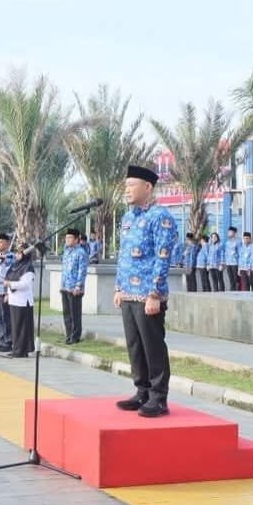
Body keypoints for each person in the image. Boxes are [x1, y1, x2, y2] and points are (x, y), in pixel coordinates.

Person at [114, 165, 178, 418]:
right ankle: (141, 391)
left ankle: (158, 397)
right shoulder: (128, 217)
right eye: (126, 185)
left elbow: (163, 258)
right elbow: (122, 255)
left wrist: (154, 293)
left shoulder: (161, 217)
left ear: (148, 187)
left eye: (132, 185)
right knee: (134, 345)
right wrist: (119, 287)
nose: (127, 189)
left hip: (148, 294)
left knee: (152, 346)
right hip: (128, 292)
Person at [3, 245, 36, 358]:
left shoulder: (28, 267)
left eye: (19, 253)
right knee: (15, 326)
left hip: (23, 301)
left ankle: (21, 350)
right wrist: (7, 293)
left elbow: (25, 284)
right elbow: (9, 278)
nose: (17, 255)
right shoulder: (15, 265)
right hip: (14, 300)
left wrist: (10, 284)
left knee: (21, 327)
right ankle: (16, 348)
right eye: (16, 253)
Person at [60, 229, 88, 345]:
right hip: (65, 287)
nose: (67, 240)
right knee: (67, 313)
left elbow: (82, 271)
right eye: (66, 238)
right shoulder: (66, 251)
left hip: (75, 288)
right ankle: (68, 335)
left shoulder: (81, 252)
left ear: (76, 239)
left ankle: (75, 336)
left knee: (75, 313)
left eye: (70, 238)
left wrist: (78, 286)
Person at [223, 226, 240, 291]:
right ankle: (232, 293)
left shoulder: (238, 242)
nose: (229, 233)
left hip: (235, 264)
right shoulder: (227, 243)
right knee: (231, 280)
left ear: (234, 233)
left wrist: (240, 266)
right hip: (228, 263)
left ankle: (236, 293)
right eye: (228, 232)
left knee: (236, 280)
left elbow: (240, 254)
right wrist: (225, 262)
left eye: (230, 232)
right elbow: (226, 253)